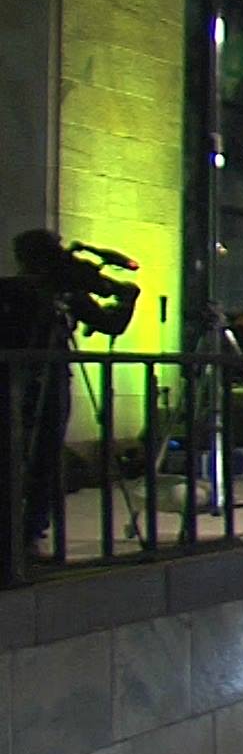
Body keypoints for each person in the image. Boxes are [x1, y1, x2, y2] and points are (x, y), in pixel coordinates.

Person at [0, 229, 139, 568]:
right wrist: (125, 299)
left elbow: (108, 323)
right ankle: (22, 535)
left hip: (45, 379)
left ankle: (28, 534)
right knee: (26, 457)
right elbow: (111, 322)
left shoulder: (64, 292)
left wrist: (125, 299)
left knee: (43, 457)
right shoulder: (16, 291)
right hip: (21, 379)